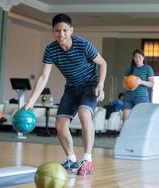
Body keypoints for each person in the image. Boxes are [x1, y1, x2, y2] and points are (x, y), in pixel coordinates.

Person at [24, 13, 107, 176]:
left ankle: (88, 161)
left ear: (71, 30)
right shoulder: (51, 49)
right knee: (60, 125)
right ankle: (71, 159)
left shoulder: (83, 45)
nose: (61, 34)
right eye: (57, 30)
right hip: (71, 89)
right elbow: (43, 77)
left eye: (64, 30)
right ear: (53, 31)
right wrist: (30, 102)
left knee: (84, 113)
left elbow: (103, 63)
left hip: (90, 86)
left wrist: (101, 85)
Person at [122, 49, 154, 121]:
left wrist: (141, 82)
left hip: (141, 97)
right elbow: (124, 83)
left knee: (141, 121)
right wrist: (129, 88)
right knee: (126, 121)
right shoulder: (129, 69)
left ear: (143, 57)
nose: (137, 59)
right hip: (128, 97)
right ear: (133, 58)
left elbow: (151, 83)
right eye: (136, 57)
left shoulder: (148, 68)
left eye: (139, 57)